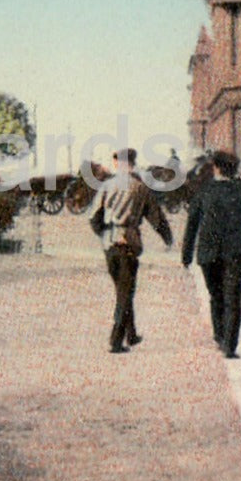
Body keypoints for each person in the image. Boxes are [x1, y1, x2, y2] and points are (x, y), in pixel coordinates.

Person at [181, 149, 241, 359]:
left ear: (216, 168)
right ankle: (230, 346)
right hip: (233, 253)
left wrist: (186, 255)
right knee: (233, 299)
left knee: (216, 296)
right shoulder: (240, 192)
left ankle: (219, 335)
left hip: (208, 254)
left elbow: (192, 224)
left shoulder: (203, 191)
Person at [89, 148, 173, 353]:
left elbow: (93, 218)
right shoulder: (140, 188)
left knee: (122, 288)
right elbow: (156, 218)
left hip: (109, 243)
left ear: (117, 163)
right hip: (129, 241)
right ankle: (116, 340)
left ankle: (131, 334)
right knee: (125, 292)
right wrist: (167, 238)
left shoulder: (106, 186)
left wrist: (103, 235)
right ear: (133, 164)